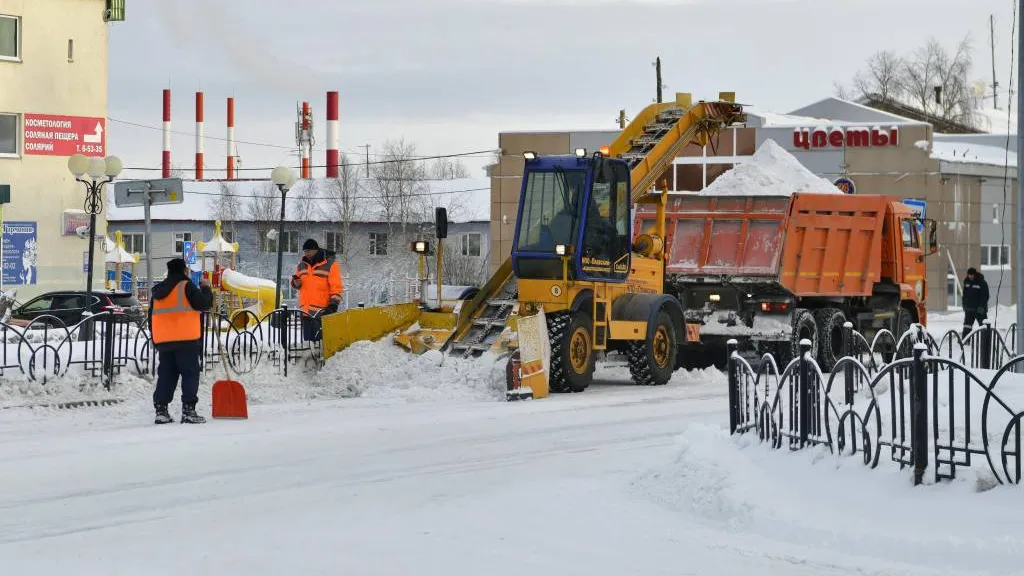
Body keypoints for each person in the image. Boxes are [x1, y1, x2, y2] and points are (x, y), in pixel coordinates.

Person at [149, 258, 214, 424]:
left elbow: (152, 317)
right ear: (184, 270)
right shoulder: (186, 286)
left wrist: (155, 338)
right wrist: (206, 288)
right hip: (186, 340)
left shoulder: (158, 291)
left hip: (164, 340)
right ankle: (188, 411)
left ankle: (161, 410)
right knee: (190, 374)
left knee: (166, 375)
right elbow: (204, 304)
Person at [290, 238, 343, 341]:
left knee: (321, 346)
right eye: (305, 251)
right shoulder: (301, 265)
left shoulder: (331, 264)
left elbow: (337, 288)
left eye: (308, 251)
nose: (306, 254)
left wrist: (332, 306)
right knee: (308, 346)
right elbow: (297, 283)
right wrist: (296, 283)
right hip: (306, 312)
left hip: (322, 313)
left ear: (316, 250)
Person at [962, 267, 990, 339]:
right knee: (967, 326)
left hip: (979, 310)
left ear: (975, 274)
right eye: (969, 275)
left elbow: (985, 296)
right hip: (969, 309)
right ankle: (965, 342)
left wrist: (981, 307)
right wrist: (964, 305)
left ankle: (986, 342)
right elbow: (964, 295)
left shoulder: (982, 282)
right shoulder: (966, 282)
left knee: (984, 326)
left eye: (972, 275)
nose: (970, 276)